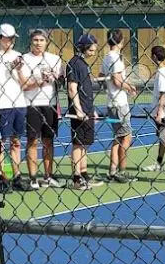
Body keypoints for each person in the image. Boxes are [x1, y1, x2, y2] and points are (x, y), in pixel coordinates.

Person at [0, 23, 28, 192]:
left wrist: (18, 69)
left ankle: (17, 175)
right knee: (0, 142)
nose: (9, 41)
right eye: (6, 38)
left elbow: (23, 82)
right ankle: (1, 176)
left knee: (16, 141)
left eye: (12, 38)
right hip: (2, 103)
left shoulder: (18, 55)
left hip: (18, 102)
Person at [20, 29, 64, 188]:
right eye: (36, 40)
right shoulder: (24, 59)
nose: (38, 43)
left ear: (47, 42)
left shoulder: (55, 59)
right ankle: (33, 178)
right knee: (32, 140)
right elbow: (24, 85)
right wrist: (41, 81)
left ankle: (48, 175)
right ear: (31, 41)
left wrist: (56, 78)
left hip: (50, 104)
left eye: (42, 40)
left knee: (48, 141)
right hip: (31, 104)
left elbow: (61, 81)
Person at [66, 33, 102, 190]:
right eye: (92, 50)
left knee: (86, 143)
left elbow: (86, 91)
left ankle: (84, 173)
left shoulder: (83, 64)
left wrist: (91, 110)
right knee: (78, 144)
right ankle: (76, 178)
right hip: (79, 112)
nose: (93, 53)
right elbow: (72, 89)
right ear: (84, 48)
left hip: (88, 110)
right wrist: (79, 110)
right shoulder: (74, 63)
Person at [101, 30, 136, 183]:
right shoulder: (116, 58)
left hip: (111, 102)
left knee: (118, 138)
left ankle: (112, 171)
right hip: (119, 104)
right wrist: (129, 87)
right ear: (121, 42)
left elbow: (102, 78)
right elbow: (117, 81)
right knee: (126, 138)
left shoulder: (106, 58)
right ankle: (121, 172)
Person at [142, 45, 165, 174]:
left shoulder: (162, 72)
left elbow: (163, 94)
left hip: (164, 113)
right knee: (163, 138)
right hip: (162, 111)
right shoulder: (162, 70)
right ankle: (159, 163)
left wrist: (160, 112)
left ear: (154, 57)